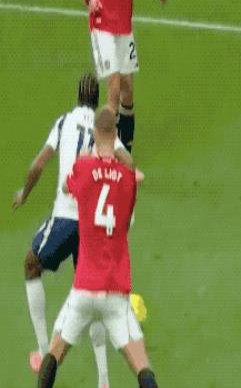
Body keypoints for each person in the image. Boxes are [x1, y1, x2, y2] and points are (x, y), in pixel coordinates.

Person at [13, 73, 132, 386]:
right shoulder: (103, 130)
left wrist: (24, 194)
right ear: (95, 100)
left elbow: (38, 165)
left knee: (31, 265)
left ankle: (43, 350)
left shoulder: (64, 122)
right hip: (93, 227)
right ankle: (103, 380)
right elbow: (127, 162)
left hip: (66, 218)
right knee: (93, 294)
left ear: (78, 96)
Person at [38, 107, 158, 388]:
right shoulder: (128, 179)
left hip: (84, 288)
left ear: (94, 134)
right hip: (116, 290)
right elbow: (134, 184)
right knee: (141, 365)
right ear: (116, 137)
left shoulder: (83, 169)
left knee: (54, 353)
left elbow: (67, 188)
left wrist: (87, 159)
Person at [73, 0, 167, 153]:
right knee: (113, 87)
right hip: (101, 24)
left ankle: (125, 150)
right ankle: (104, 152)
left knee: (127, 92)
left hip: (124, 25)